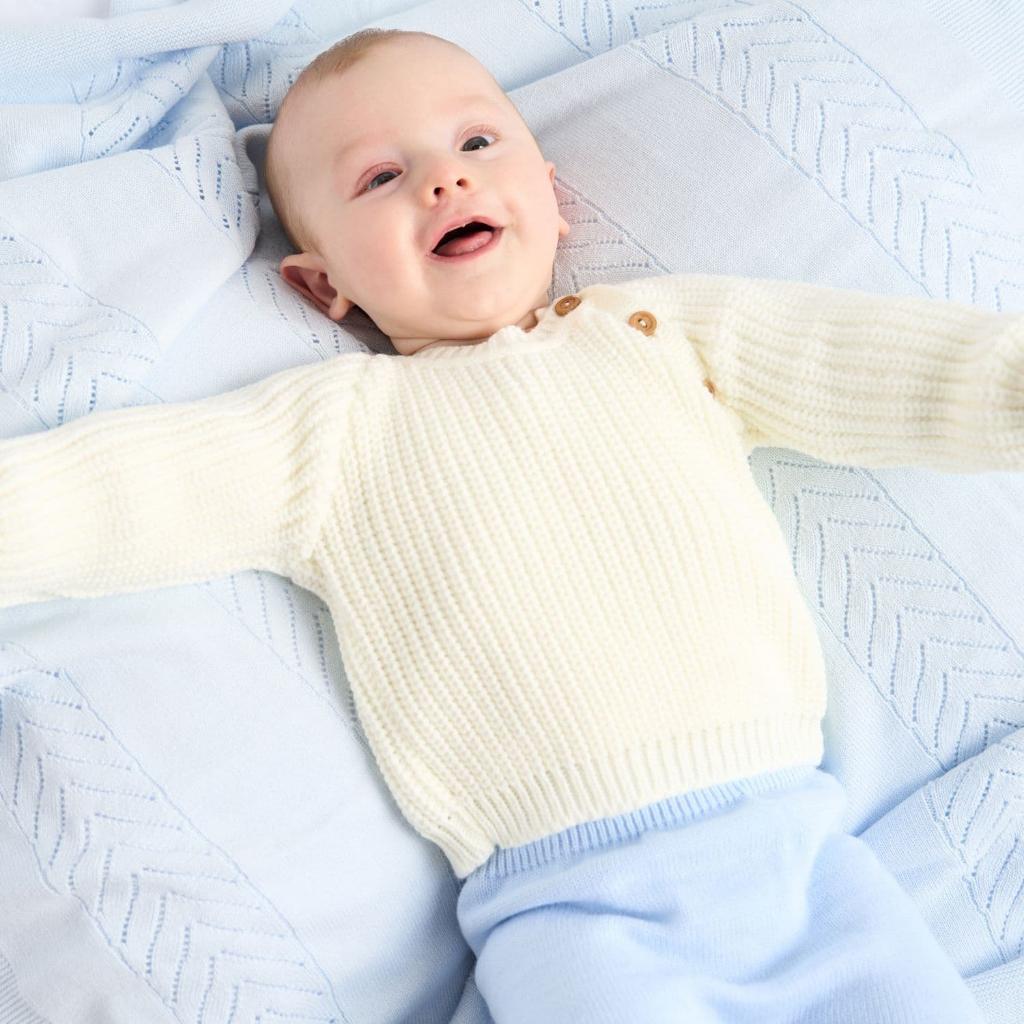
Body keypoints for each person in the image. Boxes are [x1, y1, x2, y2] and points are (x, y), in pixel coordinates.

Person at [3, 26, 1018, 1022]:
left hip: (810, 861)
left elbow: (874, 363)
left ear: (550, 194)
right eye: (381, 177)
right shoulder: (333, 434)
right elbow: (119, 493)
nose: (444, 179)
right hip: (573, 908)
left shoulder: (661, 337)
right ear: (323, 283)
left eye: (477, 143)